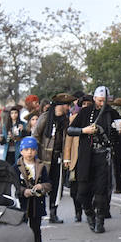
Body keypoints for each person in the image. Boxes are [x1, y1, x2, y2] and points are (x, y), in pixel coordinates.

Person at [67, 89, 115, 233]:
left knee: (101, 191)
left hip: (102, 156)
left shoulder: (111, 113)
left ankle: (100, 220)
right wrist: (84, 131)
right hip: (86, 156)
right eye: (99, 100)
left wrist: (120, 130)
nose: (102, 103)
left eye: (104, 100)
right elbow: (70, 130)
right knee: (82, 192)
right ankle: (89, 214)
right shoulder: (85, 112)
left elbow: (120, 135)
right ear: (94, 98)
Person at [29, 94, 71, 223]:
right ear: (59, 105)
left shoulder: (65, 120)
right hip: (43, 157)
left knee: (56, 186)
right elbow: (35, 135)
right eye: (65, 105)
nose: (67, 107)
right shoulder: (45, 117)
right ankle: (37, 214)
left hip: (58, 157)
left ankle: (53, 213)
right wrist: (34, 155)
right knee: (41, 185)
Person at [15, 137, 50, 242]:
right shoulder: (16, 167)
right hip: (22, 205)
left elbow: (49, 184)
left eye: (32, 149)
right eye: (26, 149)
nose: (29, 152)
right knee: (22, 232)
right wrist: (24, 191)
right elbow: (14, 186)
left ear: (36, 151)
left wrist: (42, 186)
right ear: (21, 151)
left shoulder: (41, 166)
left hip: (37, 204)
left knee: (36, 231)